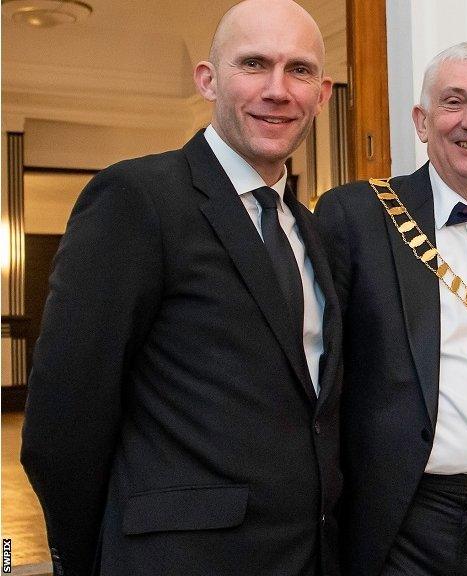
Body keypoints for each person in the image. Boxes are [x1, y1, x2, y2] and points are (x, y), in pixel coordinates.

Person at [20, 1, 341, 574]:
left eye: (300, 70)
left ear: (323, 94)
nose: (278, 89)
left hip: (306, 557)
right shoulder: (137, 198)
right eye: (253, 64)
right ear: (207, 80)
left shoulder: (310, 231)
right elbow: (62, 419)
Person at [315, 42, 467, 576]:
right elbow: (320, 375)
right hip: (402, 522)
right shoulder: (358, 215)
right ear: (421, 121)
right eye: (453, 102)